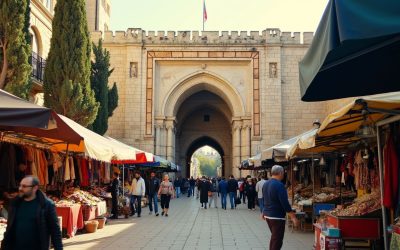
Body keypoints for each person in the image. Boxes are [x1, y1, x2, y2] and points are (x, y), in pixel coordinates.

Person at [1, 176, 63, 250]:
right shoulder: (15, 203)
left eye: (24, 186)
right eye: (20, 185)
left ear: (35, 188)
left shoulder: (46, 205)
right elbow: (9, 228)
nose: (20, 188)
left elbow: (55, 231)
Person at [262, 165, 299, 250]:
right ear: (280, 173)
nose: (283, 175)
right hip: (277, 216)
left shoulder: (266, 183)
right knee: (277, 240)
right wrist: (293, 217)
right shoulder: (279, 185)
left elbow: (265, 199)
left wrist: (264, 211)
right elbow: (284, 203)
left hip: (268, 215)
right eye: (283, 173)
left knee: (275, 238)